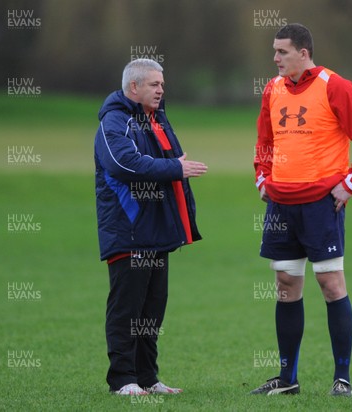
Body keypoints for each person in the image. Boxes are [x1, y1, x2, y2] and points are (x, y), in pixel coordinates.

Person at [251, 23, 352, 397]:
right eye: (274, 51)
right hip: (280, 205)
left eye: (282, 51)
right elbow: (265, 140)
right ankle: (287, 379)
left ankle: (341, 379)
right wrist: (263, 178)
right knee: (285, 286)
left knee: (330, 284)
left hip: (320, 206)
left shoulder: (334, 85)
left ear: (303, 53)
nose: (275, 58)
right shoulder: (272, 89)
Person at [94, 58, 207, 396]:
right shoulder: (114, 122)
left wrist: (175, 167)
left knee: (152, 309)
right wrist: (174, 167)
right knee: (127, 308)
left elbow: (171, 161)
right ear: (134, 87)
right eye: (155, 84)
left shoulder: (156, 118)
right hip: (129, 231)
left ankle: (147, 377)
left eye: (162, 84)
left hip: (156, 232)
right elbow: (122, 163)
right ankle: (122, 380)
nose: (161, 89)